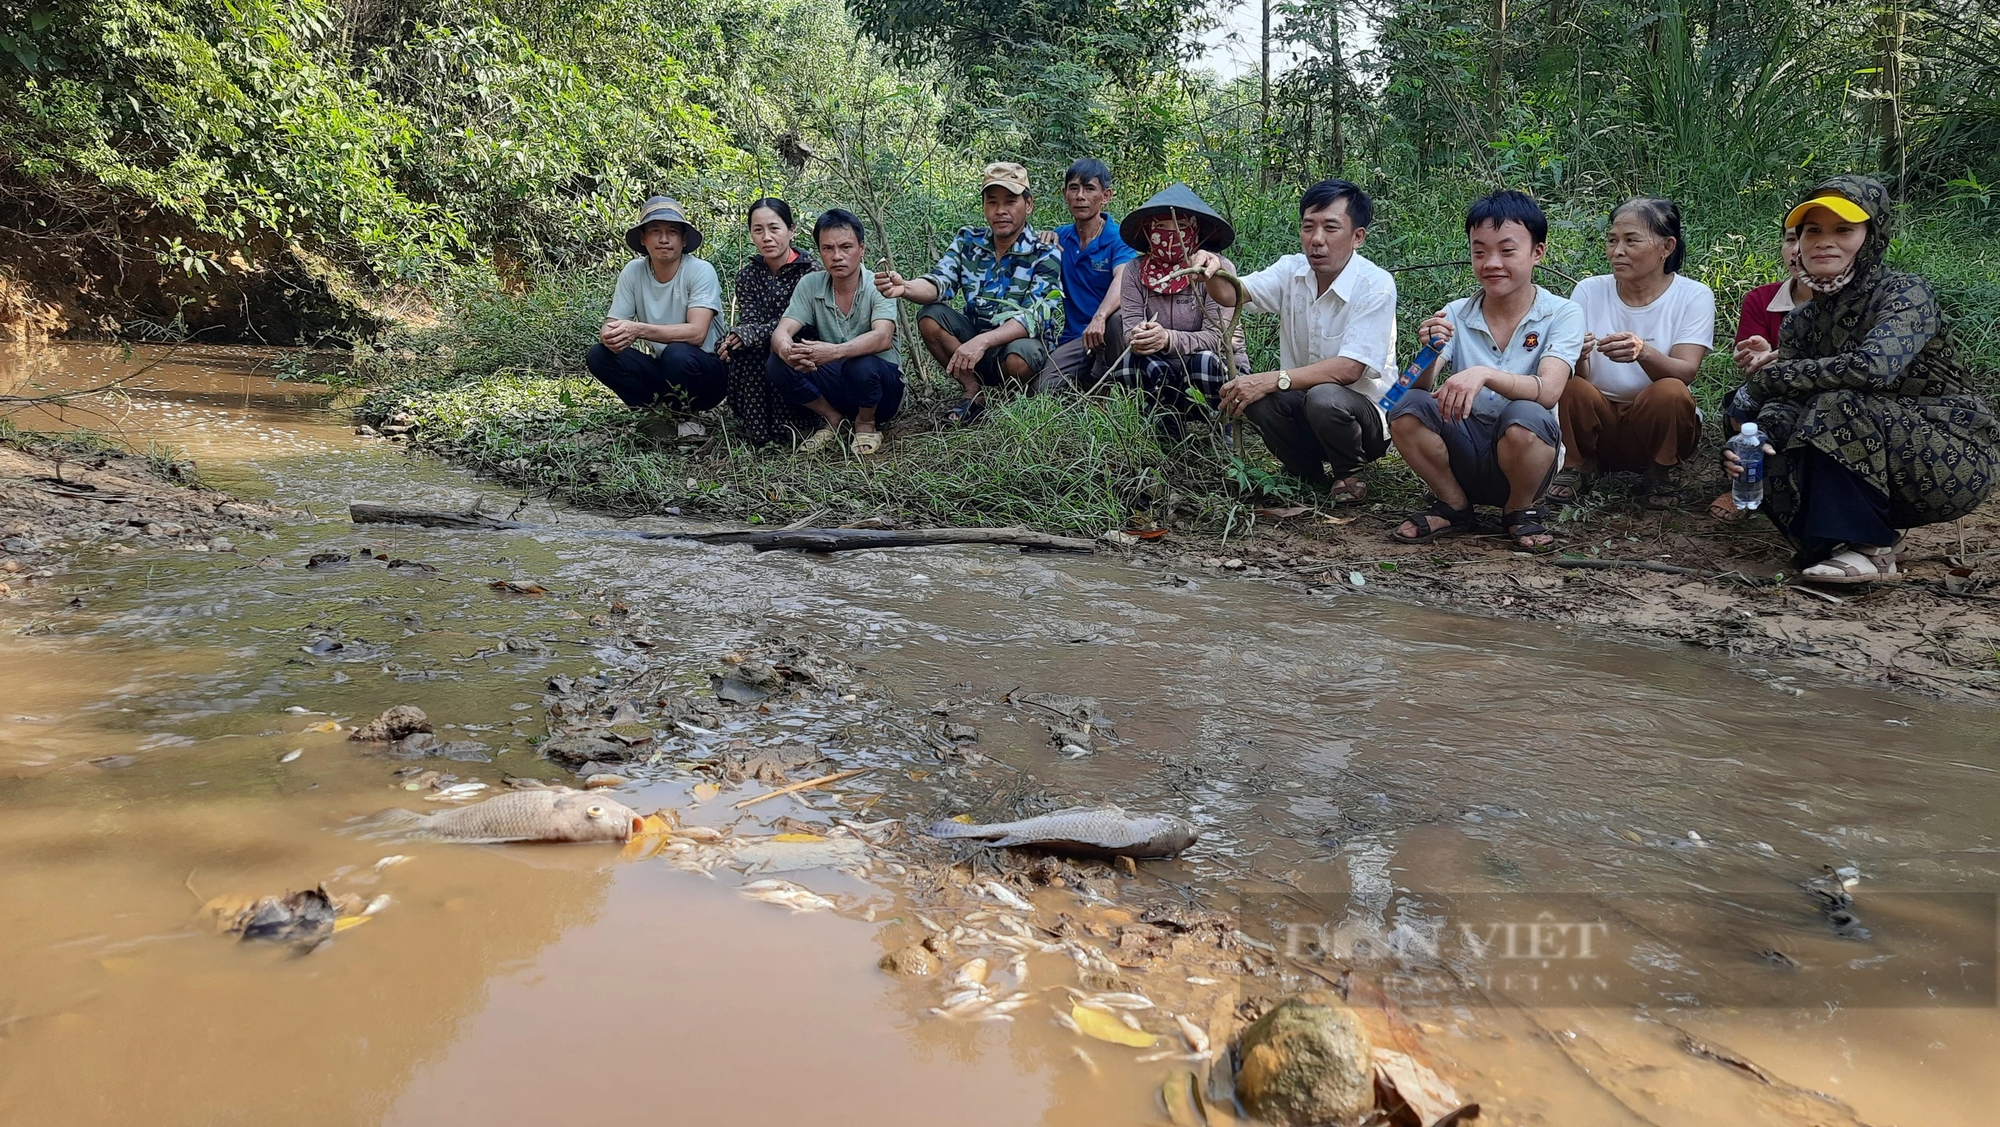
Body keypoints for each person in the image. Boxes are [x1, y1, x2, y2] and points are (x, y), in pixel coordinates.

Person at [1728, 175, 1998, 583]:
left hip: (1953, 455)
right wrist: (1760, 432)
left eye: (1844, 230)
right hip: (1871, 454)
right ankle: (1850, 543)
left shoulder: (1904, 292)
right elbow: (1786, 398)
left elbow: (1873, 367)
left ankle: (1869, 550)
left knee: (1836, 403)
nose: (1823, 242)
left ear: (1872, 236)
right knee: (1756, 438)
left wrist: (1770, 378)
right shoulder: (1803, 319)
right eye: (1812, 231)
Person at [1387, 190, 1583, 550]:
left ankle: (1520, 511)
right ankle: (1454, 505)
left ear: (1537, 252)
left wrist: (1484, 374)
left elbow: (1550, 390)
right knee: (1406, 408)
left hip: (1527, 457)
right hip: (1463, 452)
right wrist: (1428, 352)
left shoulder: (1562, 313)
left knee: (1526, 415)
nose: (1492, 262)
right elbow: (1398, 392)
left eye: (1507, 251)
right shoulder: (1457, 313)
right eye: (1480, 251)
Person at [1193, 178, 1397, 502]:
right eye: (1308, 227)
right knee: (1253, 396)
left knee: (1323, 396)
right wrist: (1214, 269)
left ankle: (1349, 472)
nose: (1316, 240)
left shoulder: (1375, 285)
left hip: (1363, 421)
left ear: (1358, 237)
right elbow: (1232, 294)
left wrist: (1271, 379)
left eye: (1331, 228)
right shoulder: (1291, 270)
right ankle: (1305, 472)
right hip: (1308, 407)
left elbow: (1349, 370)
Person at [1551, 197, 1714, 509]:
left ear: (1666, 247)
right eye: (1612, 240)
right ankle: (1579, 464)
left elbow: (1686, 370)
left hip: (1654, 424)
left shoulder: (1693, 296)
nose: (1617, 251)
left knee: (1671, 391)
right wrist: (1579, 355)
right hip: (1601, 423)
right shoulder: (1589, 290)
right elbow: (1580, 380)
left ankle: (1659, 470)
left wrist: (1644, 352)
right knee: (1568, 383)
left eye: (1631, 240)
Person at [874, 162, 1063, 424]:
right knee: (930, 317)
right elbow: (939, 283)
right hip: (976, 344)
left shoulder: (1045, 252)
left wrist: (982, 342)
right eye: (992, 202)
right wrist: (904, 286)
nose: (1001, 211)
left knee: (1020, 356)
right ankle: (973, 392)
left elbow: (1035, 316)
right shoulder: (969, 242)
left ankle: (1018, 398)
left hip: (1017, 346)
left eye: (1010, 201)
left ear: (1028, 205)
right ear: (984, 206)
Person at [1103, 184, 1248, 431]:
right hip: (1165, 371)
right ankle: (1167, 426)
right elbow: (1129, 329)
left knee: (1204, 362)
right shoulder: (1134, 271)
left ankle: (1223, 426)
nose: (1171, 237)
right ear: (1148, 232)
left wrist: (1168, 339)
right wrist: (1141, 336)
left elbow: (1219, 338)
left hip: (1215, 369)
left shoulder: (1216, 270)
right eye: (1161, 228)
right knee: (1132, 362)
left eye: (1180, 228)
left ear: (1195, 231)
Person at [767, 209, 905, 456]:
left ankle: (866, 423)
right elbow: (783, 330)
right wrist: (787, 350)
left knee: (860, 364)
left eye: (846, 247)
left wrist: (834, 351)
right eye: (828, 248)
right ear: (819, 251)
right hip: (840, 383)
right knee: (777, 362)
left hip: (883, 391)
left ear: (861, 248)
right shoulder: (811, 284)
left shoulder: (878, 285)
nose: (837, 256)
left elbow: (883, 337)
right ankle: (833, 418)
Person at [587, 196, 727, 412]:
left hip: (706, 371)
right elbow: (612, 321)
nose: (664, 239)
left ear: (684, 239)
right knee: (599, 355)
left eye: (672, 231)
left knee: (677, 354)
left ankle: (688, 416)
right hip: (664, 367)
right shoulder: (634, 271)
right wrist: (611, 335)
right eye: (655, 231)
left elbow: (697, 334)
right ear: (643, 238)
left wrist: (638, 330)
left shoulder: (700, 270)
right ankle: (657, 410)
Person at [1711, 224, 1809, 521]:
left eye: (1809, 239)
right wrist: (1758, 355)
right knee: (1739, 405)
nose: (1797, 250)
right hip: (1776, 396)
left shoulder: (1854, 304)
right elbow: (1753, 368)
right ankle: (1746, 484)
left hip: (1828, 393)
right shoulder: (1761, 299)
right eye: (1791, 240)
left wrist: (1786, 358)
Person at [715, 198, 821, 445]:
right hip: (759, 341)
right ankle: (758, 431)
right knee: (738, 349)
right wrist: (736, 337)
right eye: (758, 230)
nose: (766, 237)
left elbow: (805, 321)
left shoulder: (810, 271)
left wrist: (752, 333)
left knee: (775, 351)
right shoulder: (748, 275)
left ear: (791, 230)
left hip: (802, 340)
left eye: (774, 228)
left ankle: (795, 426)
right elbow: (750, 318)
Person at [1038, 158, 1138, 392]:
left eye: (1089, 188)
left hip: (1110, 334)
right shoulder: (1060, 237)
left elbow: (1124, 279)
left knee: (1118, 319)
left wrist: (1100, 317)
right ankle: (1089, 379)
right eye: (1074, 188)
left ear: (1106, 196)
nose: (1080, 196)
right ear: (1065, 194)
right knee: (1042, 389)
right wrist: (1044, 239)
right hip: (1076, 338)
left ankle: (1119, 388)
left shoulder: (1118, 238)